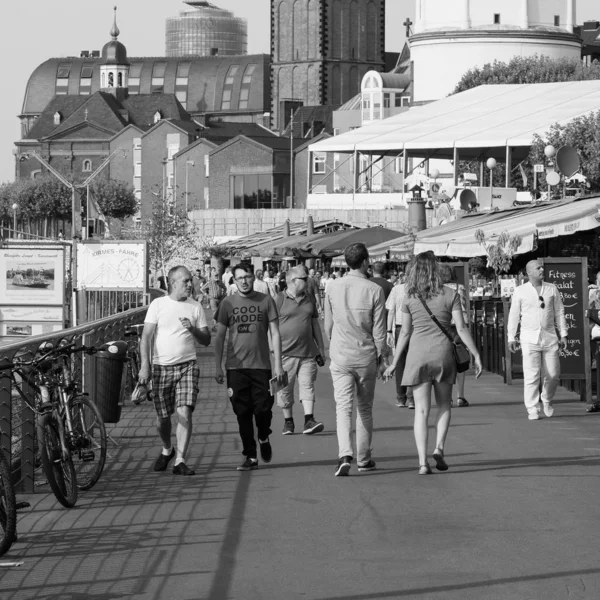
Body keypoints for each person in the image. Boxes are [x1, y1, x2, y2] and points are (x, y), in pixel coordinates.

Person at [383, 252, 482, 475]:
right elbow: (461, 328)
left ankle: (422, 462)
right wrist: (475, 354)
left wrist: (393, 362)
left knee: (421, 411)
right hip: (443, 355)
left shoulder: (409, 297)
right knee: (445, 405)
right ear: (435, 270)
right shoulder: (450, 294)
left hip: (417, 356)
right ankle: (439, 447)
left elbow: (405, 333)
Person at [139, 266, 211, 476]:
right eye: (186, 281)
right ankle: (167, 449)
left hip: (187, 365)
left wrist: (192, 329)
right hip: (161, 367)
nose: (190, 284)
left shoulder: (195, 307)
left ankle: (180, 460)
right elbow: (146, 337)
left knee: (184, 413)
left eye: (191, 281)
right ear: (172, 282)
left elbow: (206, 340)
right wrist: (145, 366)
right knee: (163, 419)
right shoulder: (158, 304)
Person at [214, 262, 285, 471]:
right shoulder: (227, 303)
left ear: (254, 277)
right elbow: (219, 337)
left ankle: (263, 435)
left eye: (247, 277)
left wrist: (278, 364)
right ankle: (250, 455)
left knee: (263, 408)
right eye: (239, 278)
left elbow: (276, 333)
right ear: (234, 281)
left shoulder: (266, 300)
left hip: (261, 365)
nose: (244, 281)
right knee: (242, 412)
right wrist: (217, 366)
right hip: (235, 368)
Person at [325, 243, 387, 476]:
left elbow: (328, 324)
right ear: (365, 261)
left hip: (340, 354)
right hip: (365, 355)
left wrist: (332, 345)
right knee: (364, 408)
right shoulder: (374, 290)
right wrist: (382, 357)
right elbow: (379, 331)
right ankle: (363, 458)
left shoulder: (332, 287)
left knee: (343, 407)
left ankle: (344, 454)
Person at [507, 259, 568, 420]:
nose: (542, 269)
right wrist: (511, 337)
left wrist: (564, 334)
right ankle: (532, 408)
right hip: (528, 337)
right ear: (529, 273)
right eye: (538, 268)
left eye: (542, 267)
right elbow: (513, 315)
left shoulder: (552, 288)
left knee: (553, 374)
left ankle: (546, 399)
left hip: (549, 337)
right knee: (531, 375)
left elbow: (559, 312)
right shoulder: (520, 291)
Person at [277, 266, 327, 435]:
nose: (308, 281)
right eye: (304, 278)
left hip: (307, 352)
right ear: (292, 281)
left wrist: (321, 348)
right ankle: (288, 421)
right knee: (284, 388)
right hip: (284, 353)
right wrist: (272, 349)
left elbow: (314, 325)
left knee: (307, 385)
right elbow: (270, 327)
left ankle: (308, 420)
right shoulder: (278, 299)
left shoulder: (309, 299)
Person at [439, 264, 470, 407]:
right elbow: (464, 305)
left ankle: (448, 397)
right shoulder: (460, 288)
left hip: (443, 326)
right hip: (458, 325)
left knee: (446, 361)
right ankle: (460, 396)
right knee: (460, 360)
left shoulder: (437, 289)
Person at [385, 275, 414, 409]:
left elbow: (391, 310)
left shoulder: (397, 289)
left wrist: (388, 331)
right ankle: (412, 398)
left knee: (400, 362)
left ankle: (401, 398)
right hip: (416, 327)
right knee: (414, 362)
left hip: (399, 326)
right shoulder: (418, 289)